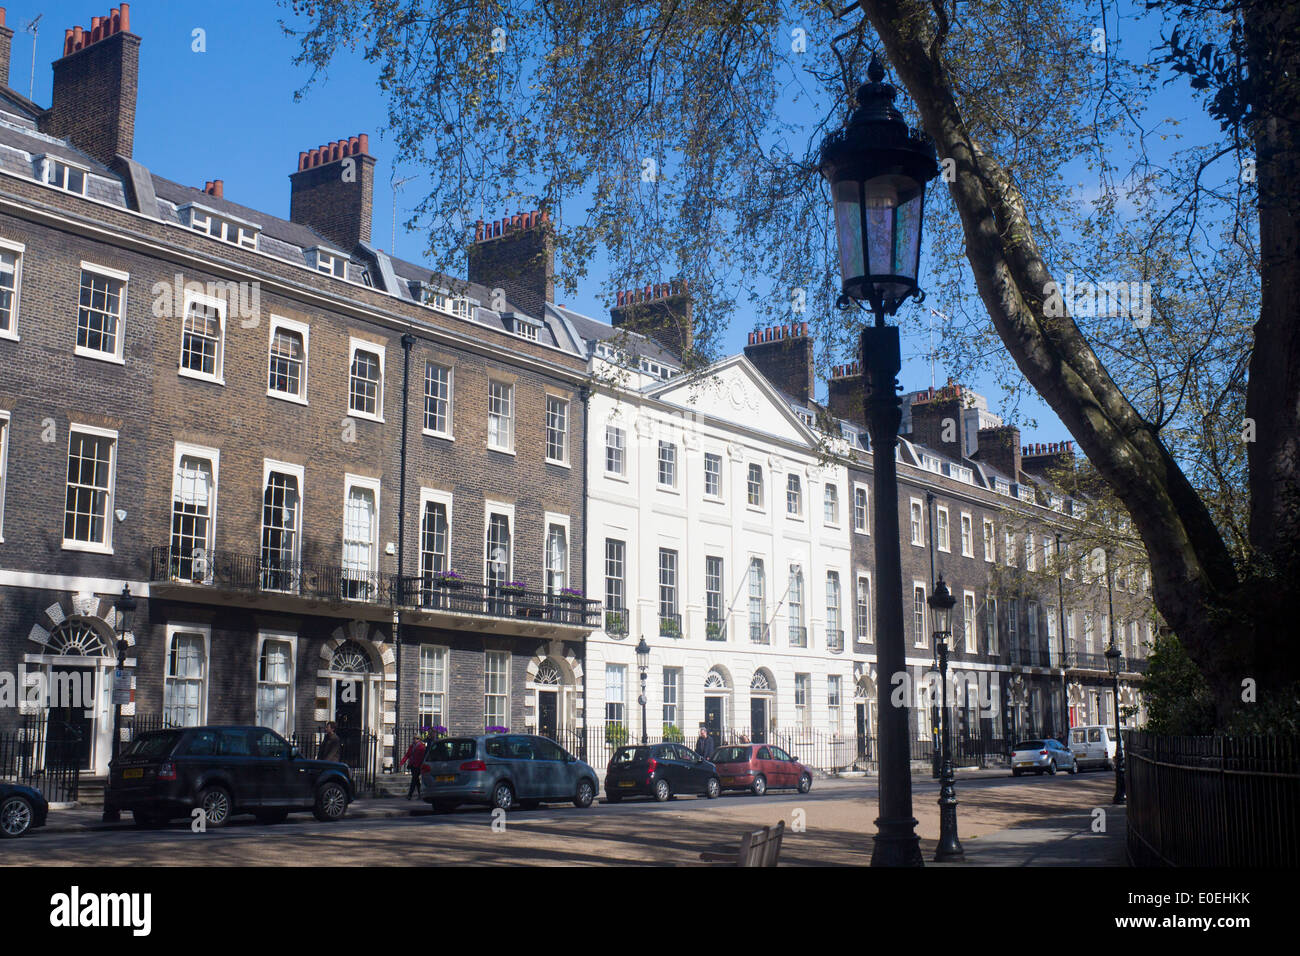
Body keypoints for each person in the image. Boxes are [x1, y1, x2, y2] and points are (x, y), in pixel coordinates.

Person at [400, 730, 429, 799]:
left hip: (418, 766)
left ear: (419, 740)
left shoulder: (422, 747)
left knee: (414, 780)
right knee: (416, 780)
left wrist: (421, 765)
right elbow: (407, 755)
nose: (415, 740)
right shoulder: (412, 746)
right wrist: (402, 762)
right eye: (414, 738)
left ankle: (410, 795)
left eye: (417, 738)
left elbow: (422, 757)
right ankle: (420, 794)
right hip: (413, 765)